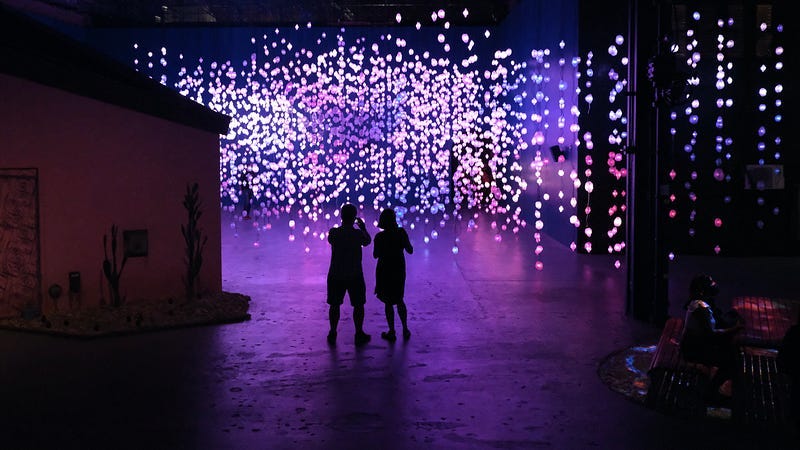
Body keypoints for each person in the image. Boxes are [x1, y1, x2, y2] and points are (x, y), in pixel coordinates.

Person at [680, 274, 744, 403]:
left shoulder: (700, 302)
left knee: (731, 353)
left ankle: (713, 390)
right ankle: (710, 393)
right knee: (730, 362)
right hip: (693, 350)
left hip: (696, 344)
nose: (714, 285)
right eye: (710, 283)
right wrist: (735, 329)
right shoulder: (700, 307)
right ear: (702, 289)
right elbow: (711, 334)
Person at [326, 203, 372, 346]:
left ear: (341, 216)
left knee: (334, 305)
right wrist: (363, 228)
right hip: (354, 274)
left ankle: (333, 331)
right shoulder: (357, 234)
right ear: (354, 218)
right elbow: (368, 241)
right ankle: (359, 332)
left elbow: (331, 240)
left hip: (336, 273)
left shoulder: (334, 233)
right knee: (358, 305)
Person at [373, 208, 414, 341]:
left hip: (384, 271)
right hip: (398, 270)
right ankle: (405, 329)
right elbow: (410, 250)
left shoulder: (379, 237)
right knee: (399, 299)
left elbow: (375, 255)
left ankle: (392, 331)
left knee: (388, 302)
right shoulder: (401, 233)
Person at [778, 309, 800, 430]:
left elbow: (783, 353)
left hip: (794, 372)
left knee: (795, 394)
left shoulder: (794, 331)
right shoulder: (794, 331)